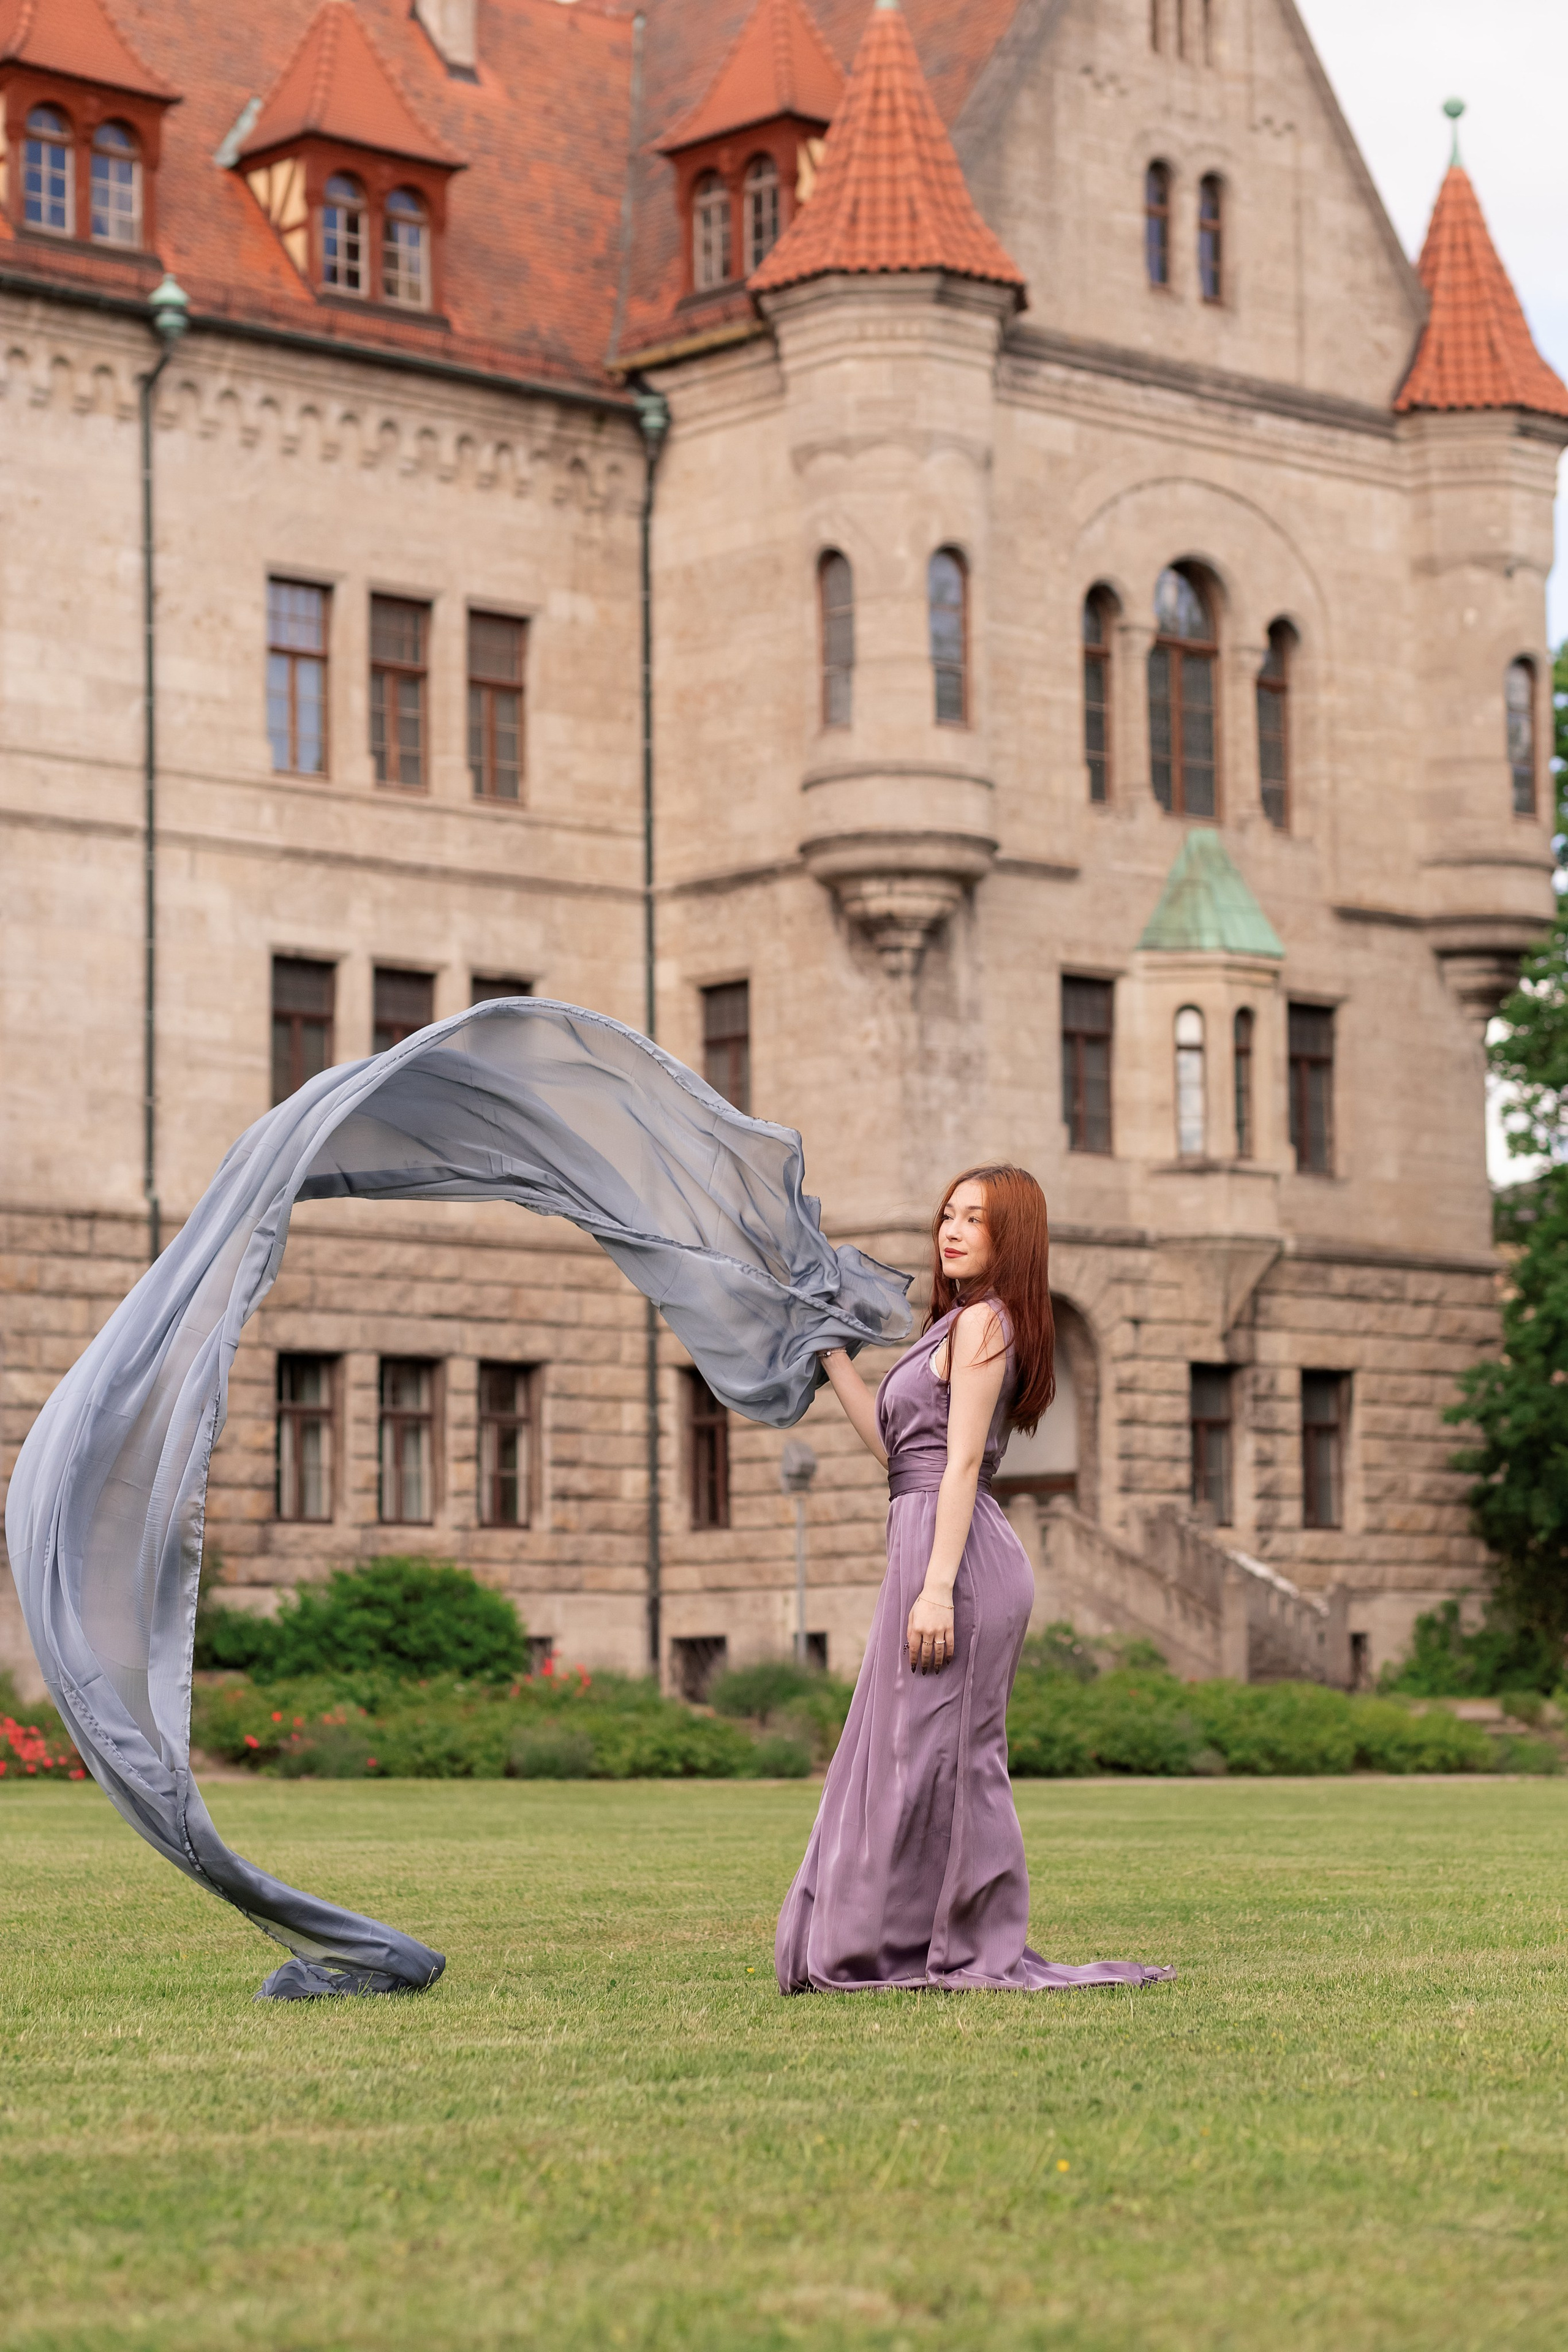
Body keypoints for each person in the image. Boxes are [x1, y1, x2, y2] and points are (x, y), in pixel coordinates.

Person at [775, 1163, 1175, 1994]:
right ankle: (886, 1940)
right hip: (922, 1541)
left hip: (959, 1565)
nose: (952, 1230)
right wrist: (838, 1363)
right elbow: (901, 1459)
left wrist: (934, 1587)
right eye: (947, 1215)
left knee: (951, 1758)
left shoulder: (986, 1326)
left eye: (974, 1220)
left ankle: (961, 1941)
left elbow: (961, 1467)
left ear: (1011, 1238)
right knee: (901, 1753)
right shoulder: (947, 1326)